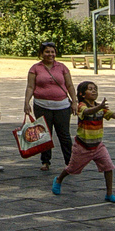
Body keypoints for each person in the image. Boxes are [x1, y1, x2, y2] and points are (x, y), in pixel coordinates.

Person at [51, 81, 115, 202]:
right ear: (82, 94)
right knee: (72, 169)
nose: (94, 91)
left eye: (95, 89)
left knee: (108, 167)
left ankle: (109, 194)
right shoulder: (81, 106)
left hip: (98, 146)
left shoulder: (101, 108)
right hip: (82, 146)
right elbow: (87, 112)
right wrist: (99, 107)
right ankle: (59, 179)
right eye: (90, 89)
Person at [23, 41, 78, 172]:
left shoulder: (62, 67)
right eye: (47, 52)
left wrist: (74, 101)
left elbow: (69, 85)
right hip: (41, 105)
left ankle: (70, 161)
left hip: (62, 106)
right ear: (41, 53)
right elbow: (30, 87)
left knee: (64, 134)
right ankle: (45, 161)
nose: (50, 54)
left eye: (52, 52)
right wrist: (26, 102)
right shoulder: (35, 68)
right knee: (44, 133)